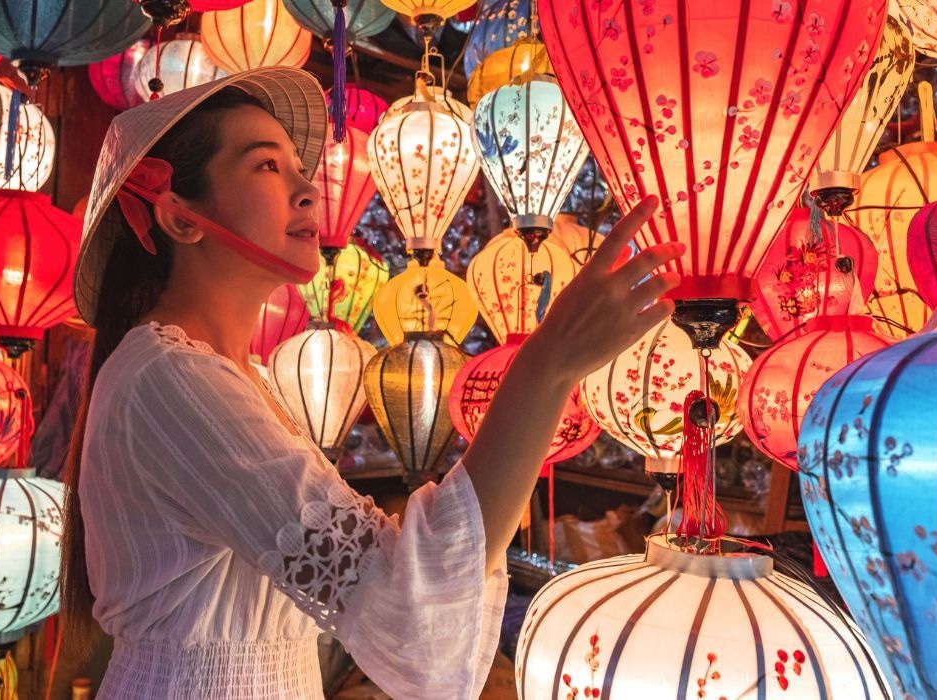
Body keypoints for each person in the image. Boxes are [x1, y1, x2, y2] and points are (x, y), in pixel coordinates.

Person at [61, 67, 684, 699]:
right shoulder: (173, 379)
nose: (309, 189)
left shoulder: (231, 375)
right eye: (267, 167)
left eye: (298, 167)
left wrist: (553, 367)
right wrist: (547, 363)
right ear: (178, 216)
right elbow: (403, 597)